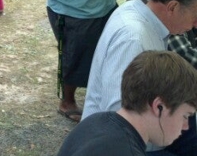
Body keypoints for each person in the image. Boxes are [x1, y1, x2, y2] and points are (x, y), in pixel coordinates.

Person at [83, 0, 197, 156]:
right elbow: (118, 115)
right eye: (195, 17)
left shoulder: (141, 11)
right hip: (128, 145)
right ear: (173, 7)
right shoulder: (133, 39)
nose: (195, 25)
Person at [57, 50, 197, 156]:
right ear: (159, 106)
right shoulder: (125, 151)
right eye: (186, 116)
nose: (185, 127)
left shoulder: (96, 120)